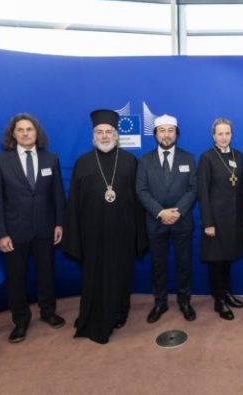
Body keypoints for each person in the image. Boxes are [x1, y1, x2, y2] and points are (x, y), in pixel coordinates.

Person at [62, 109, 147, 344]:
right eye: (100, 132)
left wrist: (140, 234)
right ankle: (92, 314)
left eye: (109, 131)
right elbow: (73, 204)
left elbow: (139, 201)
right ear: (93, 135)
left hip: (123, 232)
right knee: (94, 275)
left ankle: (120, 312)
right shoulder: (82, 162)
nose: (105, 136)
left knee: (121, 275)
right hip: (92, 233)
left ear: (117, 134)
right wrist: (75, 235)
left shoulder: (130, 161)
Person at [0, 113, 66, 343]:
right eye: (20, 129)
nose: (25, 133)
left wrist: (60, 223)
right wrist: (0, 233)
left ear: (36, 133)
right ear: (13, 134)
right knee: (16, 279)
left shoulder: (51, 159)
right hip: (13, 232)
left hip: (45, 229)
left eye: (29, 129)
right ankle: (20, 321)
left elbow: (58, 195)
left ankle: (48, 312)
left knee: (47, 275)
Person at [136, 114, 198, 323]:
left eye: (170, 130)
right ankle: (160, 302)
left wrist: (177, 211)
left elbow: (193, 189)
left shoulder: (188, 158)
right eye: (162, 130)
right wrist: (161, 213)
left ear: (176, 134)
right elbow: (141, 190)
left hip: (182, 221)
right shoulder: (144, 160)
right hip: (156, 221)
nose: (166, 135)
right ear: (155, 134)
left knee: (184, 263)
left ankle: (184, 302)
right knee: (158, 264)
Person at [197, 118, 243, 320]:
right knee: (216, 261)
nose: (224, 137)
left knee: (228, 258)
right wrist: (208, 223)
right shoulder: (207, 157)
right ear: (213, 136)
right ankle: (219, 300)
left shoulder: (239, 155)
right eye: (220, 133)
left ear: (232, 135)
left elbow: (242, 187)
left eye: (227, 133)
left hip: (235, 218)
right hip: (216, 221)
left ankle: (227, 293)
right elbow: (203, 192)